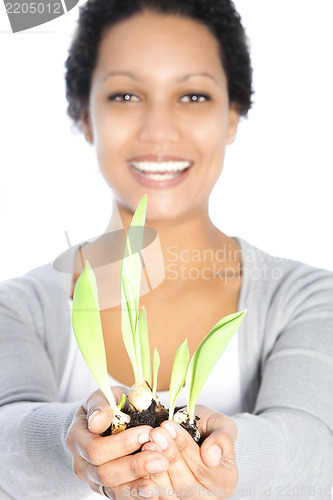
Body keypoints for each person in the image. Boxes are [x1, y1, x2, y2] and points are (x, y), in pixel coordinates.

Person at [0, 0, 332, 499]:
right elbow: (7, 433)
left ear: (233, 116)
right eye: (126, 94)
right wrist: (70, 442)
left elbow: (315, 447)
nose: (159, 130)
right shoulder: (18, 307)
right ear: (84, 116)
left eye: (194, 96)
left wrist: (225, 455)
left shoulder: (306, 297)